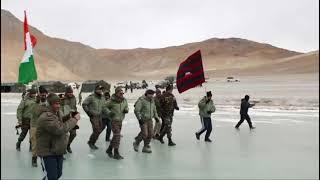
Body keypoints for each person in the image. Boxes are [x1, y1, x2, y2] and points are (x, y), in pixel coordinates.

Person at [36, 93, 80, 180]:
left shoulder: (57, 113)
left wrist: (69, 116)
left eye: (59, 103)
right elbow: (59, 129)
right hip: (47, 152)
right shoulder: (46, 116)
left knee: (58, 174)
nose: (58, 106)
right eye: (55, 104)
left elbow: (59, 121)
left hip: (58, 149)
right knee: (52, 177)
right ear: (49, 104)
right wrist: (75, 119)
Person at [103, 87, 128, 160]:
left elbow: (126, 106)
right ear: (116, 93)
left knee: (115, 136)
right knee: (117, 135)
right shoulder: (111, 101)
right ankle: (116, 153)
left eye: (122, 93)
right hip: (114, 120)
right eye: (120, 93)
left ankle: (109, 149)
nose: (121, 94)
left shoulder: (124, 100)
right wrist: (109, 113)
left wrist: (126, 110)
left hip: (120, 120)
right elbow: (104, 107)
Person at [82, 85, 105, 150]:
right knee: (97, 130)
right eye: (99, 89)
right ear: (96, 90)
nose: (100, 90)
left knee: (99, 130)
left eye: (101, 89)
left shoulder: (102, 98)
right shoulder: (91, 97)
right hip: (93, 116)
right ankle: (91, 143)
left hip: (100, 116)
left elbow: (104, 106)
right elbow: (84, 104)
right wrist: (88, 112)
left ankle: (91, 141)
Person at [30, 86, 48, 167]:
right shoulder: (34, 103)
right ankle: (34, 158)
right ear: (39, 95)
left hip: (45, 126)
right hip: (35, 125)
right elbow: (35, 113)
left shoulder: (48, 103)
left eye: (45, 95)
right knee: (35, 143)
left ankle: (45, 158)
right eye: (42, 95)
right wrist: (38, 104)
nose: (43, 96)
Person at [61, 86, 78, 153]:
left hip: (72, 118)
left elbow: (74, 107)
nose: (70, 93)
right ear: (66, 92)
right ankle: (63, 148)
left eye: (71, 92)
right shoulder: (62, 98)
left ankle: (68, 145)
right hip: (64, 118)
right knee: (64, 135)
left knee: (73, 134)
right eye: (69, 92)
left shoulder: (74, 98)